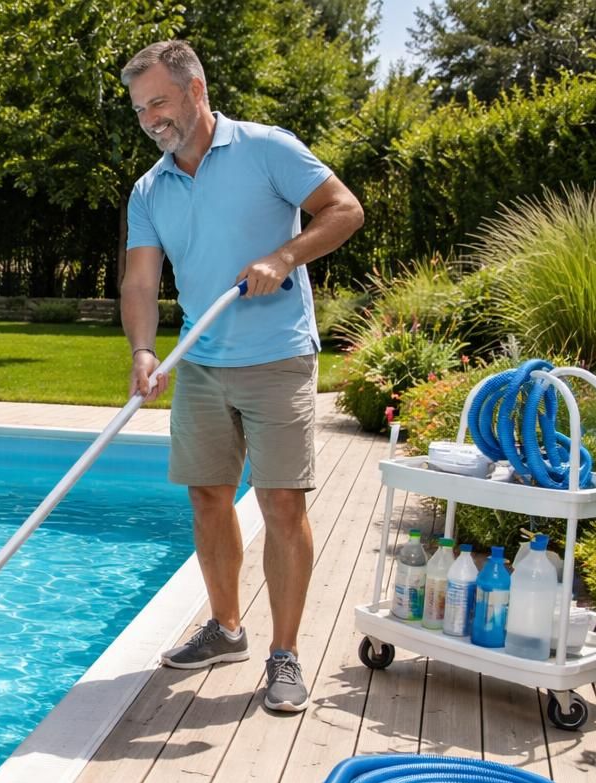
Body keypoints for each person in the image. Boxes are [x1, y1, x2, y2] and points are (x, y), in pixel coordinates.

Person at [119, 41, 364, 713]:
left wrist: (284, 256)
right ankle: (227, 628)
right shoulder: (150, 189)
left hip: (277, 355)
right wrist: (143, 351)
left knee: (282, 503)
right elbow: (140, 281)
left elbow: (345, 210)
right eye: (140, 109)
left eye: (160, 102)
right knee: (207, 496)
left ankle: (284, 655)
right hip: (200, 362)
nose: (150, 119)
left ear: (197, 89)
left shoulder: (266, 148)